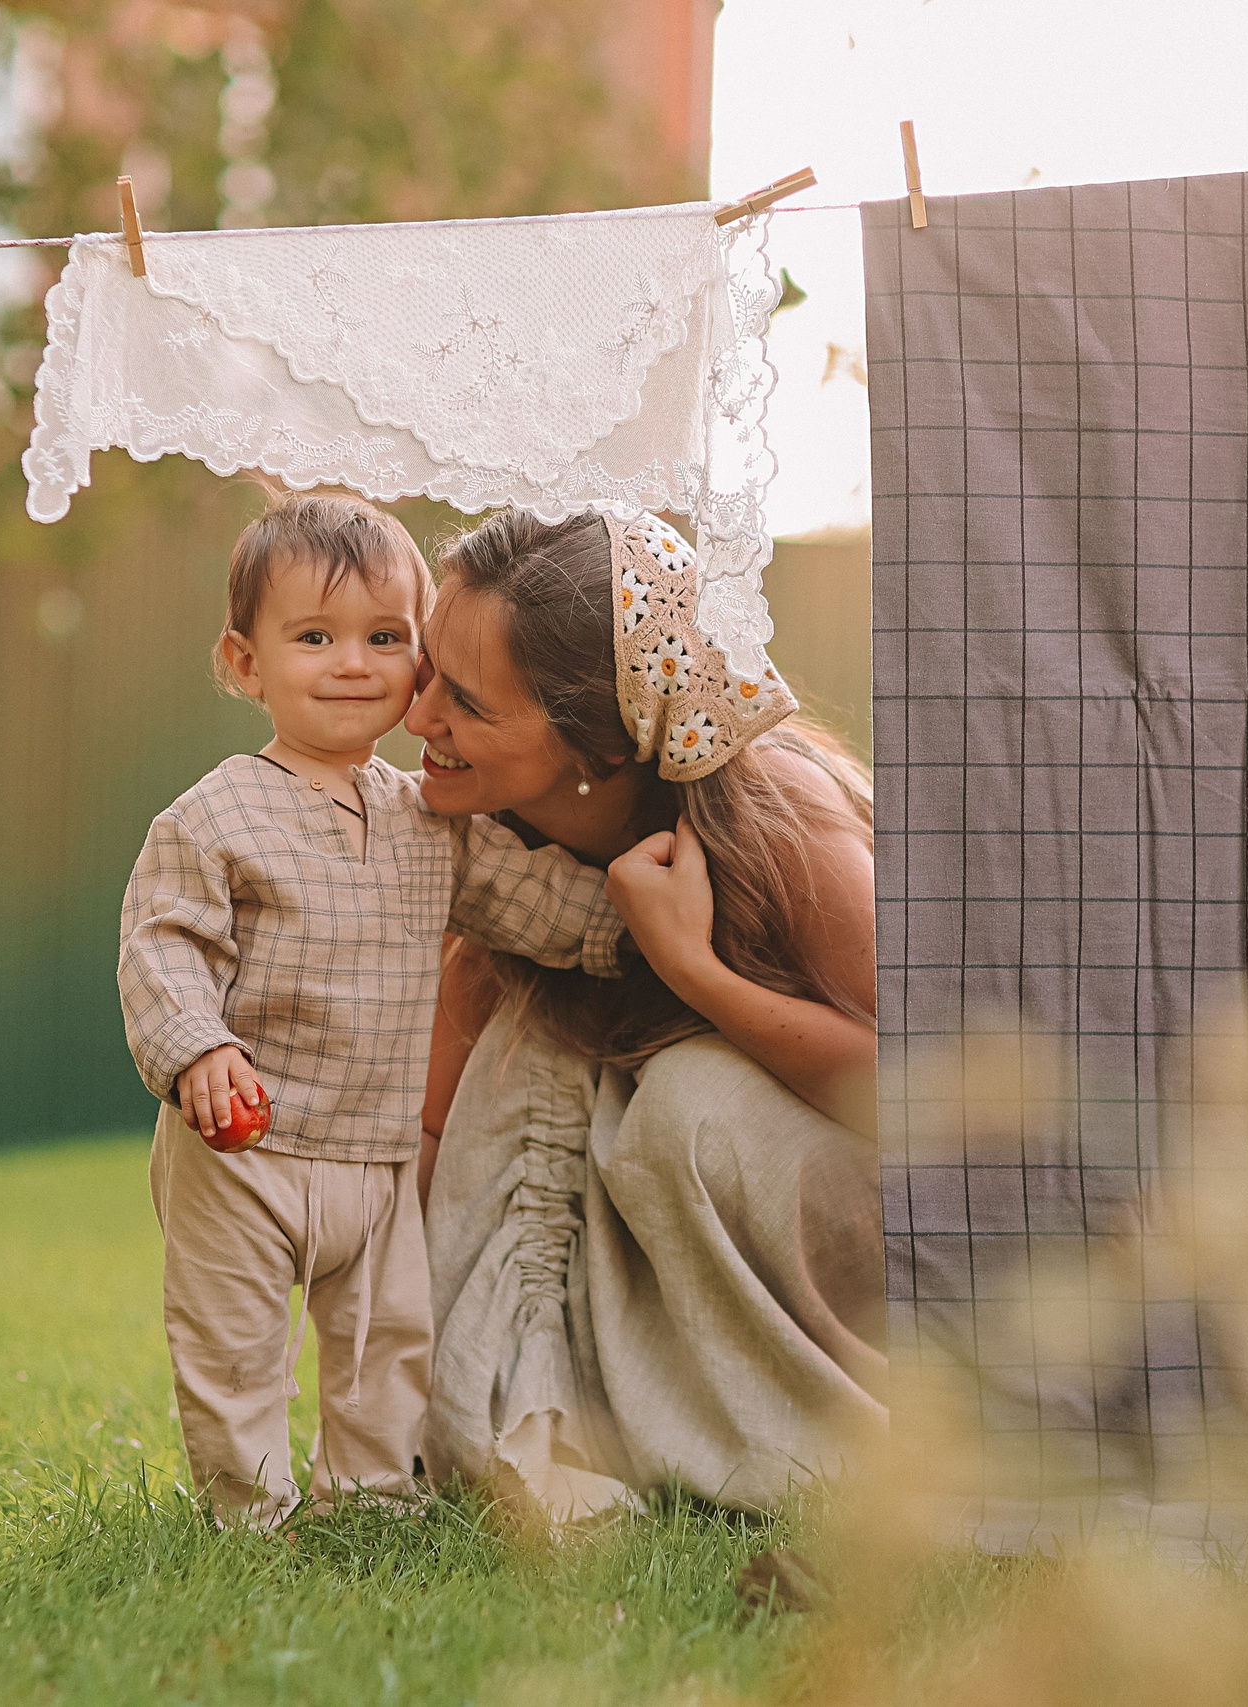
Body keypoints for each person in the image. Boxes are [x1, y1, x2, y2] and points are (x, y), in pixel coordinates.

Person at [117, 494, 628, 1529]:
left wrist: (632, 921)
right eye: (315, 638)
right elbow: (164, 942)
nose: (353, 663)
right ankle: (247, 1511)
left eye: (385, 638)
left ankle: (369, 1500)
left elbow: (530, 900)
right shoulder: (217, 813)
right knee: (237, 1344)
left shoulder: (425, 819)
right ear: (245, 663)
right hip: (245, 1149)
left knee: (386, 1340)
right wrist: (198, 1049)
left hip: (378, 1152)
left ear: (419, 662)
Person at [405, 508, 888, 1522]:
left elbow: (926, 1100)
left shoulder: (780, 824)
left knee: (687, 1096)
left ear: (603, 745)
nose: (419, 720)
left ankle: (829, 1457)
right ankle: (581, 1422)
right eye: (425, 671)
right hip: (698, 1237)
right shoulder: (501, 845)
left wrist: (694, 971)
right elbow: (439, 1135)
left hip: (897, 1232)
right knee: (529, 1061)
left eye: (465, 701)